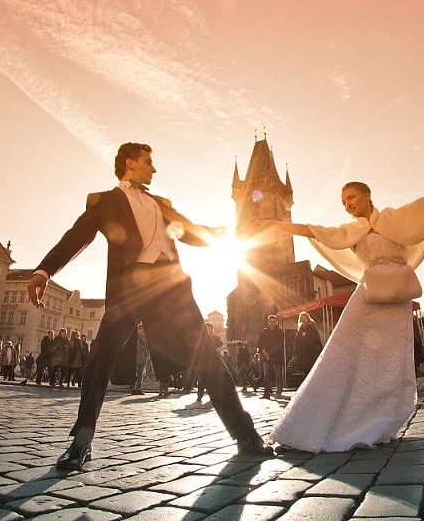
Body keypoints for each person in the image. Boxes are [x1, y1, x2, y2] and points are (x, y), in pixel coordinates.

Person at [26, 142, 270, 471]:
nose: (153, 169)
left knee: (208, 355)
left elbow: (193, 232)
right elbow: (77, 236)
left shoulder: (160, 203)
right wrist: (44, 270)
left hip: (170, 288)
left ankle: (246, 434)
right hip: (129, 288)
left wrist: (233, 232)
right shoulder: (104, 201)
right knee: (100, 357)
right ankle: (81, 443)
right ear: (130, 163)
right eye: (148, 162)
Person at [259, 171, 424, 453]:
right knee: (342, 351)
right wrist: (275, 224)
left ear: (367, 196)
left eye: (351, 197)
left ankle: (375, 421)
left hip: (398, 296)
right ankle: (311, 423)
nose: (347, 204)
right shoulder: (352, 229)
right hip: (370, 295)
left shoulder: (394, 218)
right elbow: (313, 230)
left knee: (390, 361)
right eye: (343, 200)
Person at [258, 316, 286, 399]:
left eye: (274, 321)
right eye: (271, 321)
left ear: (276, 322)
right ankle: (267, 393)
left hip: (277, 356)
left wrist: (269, 354)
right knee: (267, 375)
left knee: (279, 375)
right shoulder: (264, 332)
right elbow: (260, 343)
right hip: (267, 357)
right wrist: (264, 351)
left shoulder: (280, 332)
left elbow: (279, 345)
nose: (272, 323)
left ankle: (279, 392)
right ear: (268, 322)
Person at [196, 322, 224, 401]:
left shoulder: (214, 337)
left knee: (212, 379)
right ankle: (200, 395)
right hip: (202, 361)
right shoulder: (202, 337)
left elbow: (220, 343)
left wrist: (214, 336)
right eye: (207, 329)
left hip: (212, 361)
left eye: (210, 329)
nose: (209, 331)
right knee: (201, 379)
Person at [294, 312, 323, 378]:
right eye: (302, 318)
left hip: (311, 354)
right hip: (303, 356)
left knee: (311, 373)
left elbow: (316, 339)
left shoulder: (311, 327)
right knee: (306, 374)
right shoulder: (300, 329)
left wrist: (306, 336)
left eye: (305, 318)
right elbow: (298, 342)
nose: (303, 320)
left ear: (308, 318)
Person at [132, 323, 149, 395]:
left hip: (135, 357)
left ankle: (133, 387)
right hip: (142, 357)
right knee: (140, 374)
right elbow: (147, 348)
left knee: (134, 373)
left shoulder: (135, 337)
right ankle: (138, 388)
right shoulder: (146, 337)